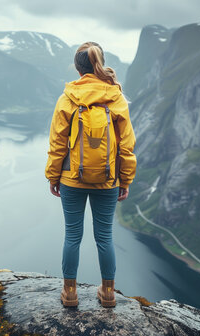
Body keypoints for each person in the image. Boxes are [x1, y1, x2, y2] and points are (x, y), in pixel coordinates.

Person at [45, 41, 136, 308]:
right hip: (108, 180)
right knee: (105, 236)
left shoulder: (67, 98)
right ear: (100, 63)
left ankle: (70, 293)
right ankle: (108, 294)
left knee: (72, 236)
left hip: (71, 179)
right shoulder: (115, 97)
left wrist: (53, 177)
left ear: (78, 67)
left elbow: (57, 144)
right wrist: (125, 179)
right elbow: (126, 145)